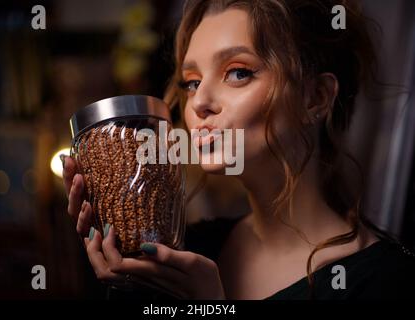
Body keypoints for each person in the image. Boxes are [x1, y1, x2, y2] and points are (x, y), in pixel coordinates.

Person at [62, 0, 415, 300]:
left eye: (238, 73)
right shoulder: (185, 252)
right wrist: (127, 273)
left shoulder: (385, 280)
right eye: (192, 82)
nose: (199, 101)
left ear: (315, 98)